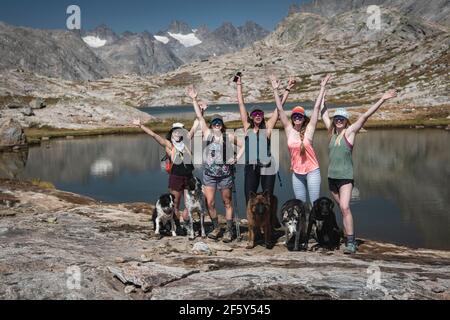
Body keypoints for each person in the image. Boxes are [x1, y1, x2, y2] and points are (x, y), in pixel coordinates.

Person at [321, 89, 398, 254]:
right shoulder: (331, 133)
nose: (339, 121)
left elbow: (364, 117)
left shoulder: (349, 133)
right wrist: (322, 94)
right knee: (342, 209)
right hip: (331, 179)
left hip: (345, 178)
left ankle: (351, 242)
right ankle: (345, 234)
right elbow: (323, 114)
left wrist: (382, 99)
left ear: (346, 121)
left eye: (342, 119)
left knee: (345, 207)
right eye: (337, 119)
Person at [186, 85, 244, 243]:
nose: (217, 124)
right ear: (211, 125)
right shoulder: (208, 134)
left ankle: (229, 230)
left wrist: (237, 157)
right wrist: (194, 99)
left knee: (227, 202)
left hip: (225, 174)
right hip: (209, 175)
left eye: (219, 122)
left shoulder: (229, 136)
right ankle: (216, 227)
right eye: (214, 123)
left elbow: (244, 145)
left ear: (222, 124)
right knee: (209, 202)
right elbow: (200, 117)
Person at [271, 74, 332, 207]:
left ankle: (317, 227)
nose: (297, 118)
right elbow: (280, 109)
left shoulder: (309, 129)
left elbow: (316, 109)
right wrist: (276, 90)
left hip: (312, 172)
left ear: (304, 118)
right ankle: (304, 228)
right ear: (292, 118)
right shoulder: (289, 129)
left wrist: (322, 87)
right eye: (295, 116)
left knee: (315, 203)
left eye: (300, 116)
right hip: (297, 173)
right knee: (300, 204)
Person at [133, 116, 201, 233]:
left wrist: (201, 111)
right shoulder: (169, 144)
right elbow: (155, 136)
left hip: (189, 177)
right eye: (176, 131)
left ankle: (186, 223)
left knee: (190, 204)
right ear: (172, 132)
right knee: (174, 204)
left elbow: (196, 124)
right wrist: (141, 126)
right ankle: (177, 227)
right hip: (176, 177)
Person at [236, 74, 297, 204]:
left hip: (268, 166)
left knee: (267, 198)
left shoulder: (268, 127)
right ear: (251, 117)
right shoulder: (247, 127)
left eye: (260, 114)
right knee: (249, 198)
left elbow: (279, 108)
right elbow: (241, 104)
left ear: (263, 116)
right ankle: (252, 223)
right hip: (251, 167)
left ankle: (268, 222)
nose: (258, 116)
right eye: (255, 114)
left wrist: (287, 89)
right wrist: (238, 85)